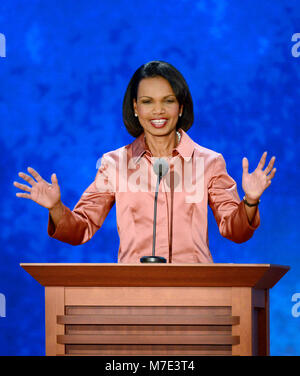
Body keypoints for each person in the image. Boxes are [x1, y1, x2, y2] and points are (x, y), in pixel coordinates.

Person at [13, 61, 276, 263]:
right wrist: (56, 207)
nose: (158, 111)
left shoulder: (209, 162)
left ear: (181, 107)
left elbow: (236, 231)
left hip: (197, 293)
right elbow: (80, 229)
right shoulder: (115, 163)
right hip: (132, 294)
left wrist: (250, 200)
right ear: (136, 108)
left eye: (168, 101)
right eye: (148, 102)